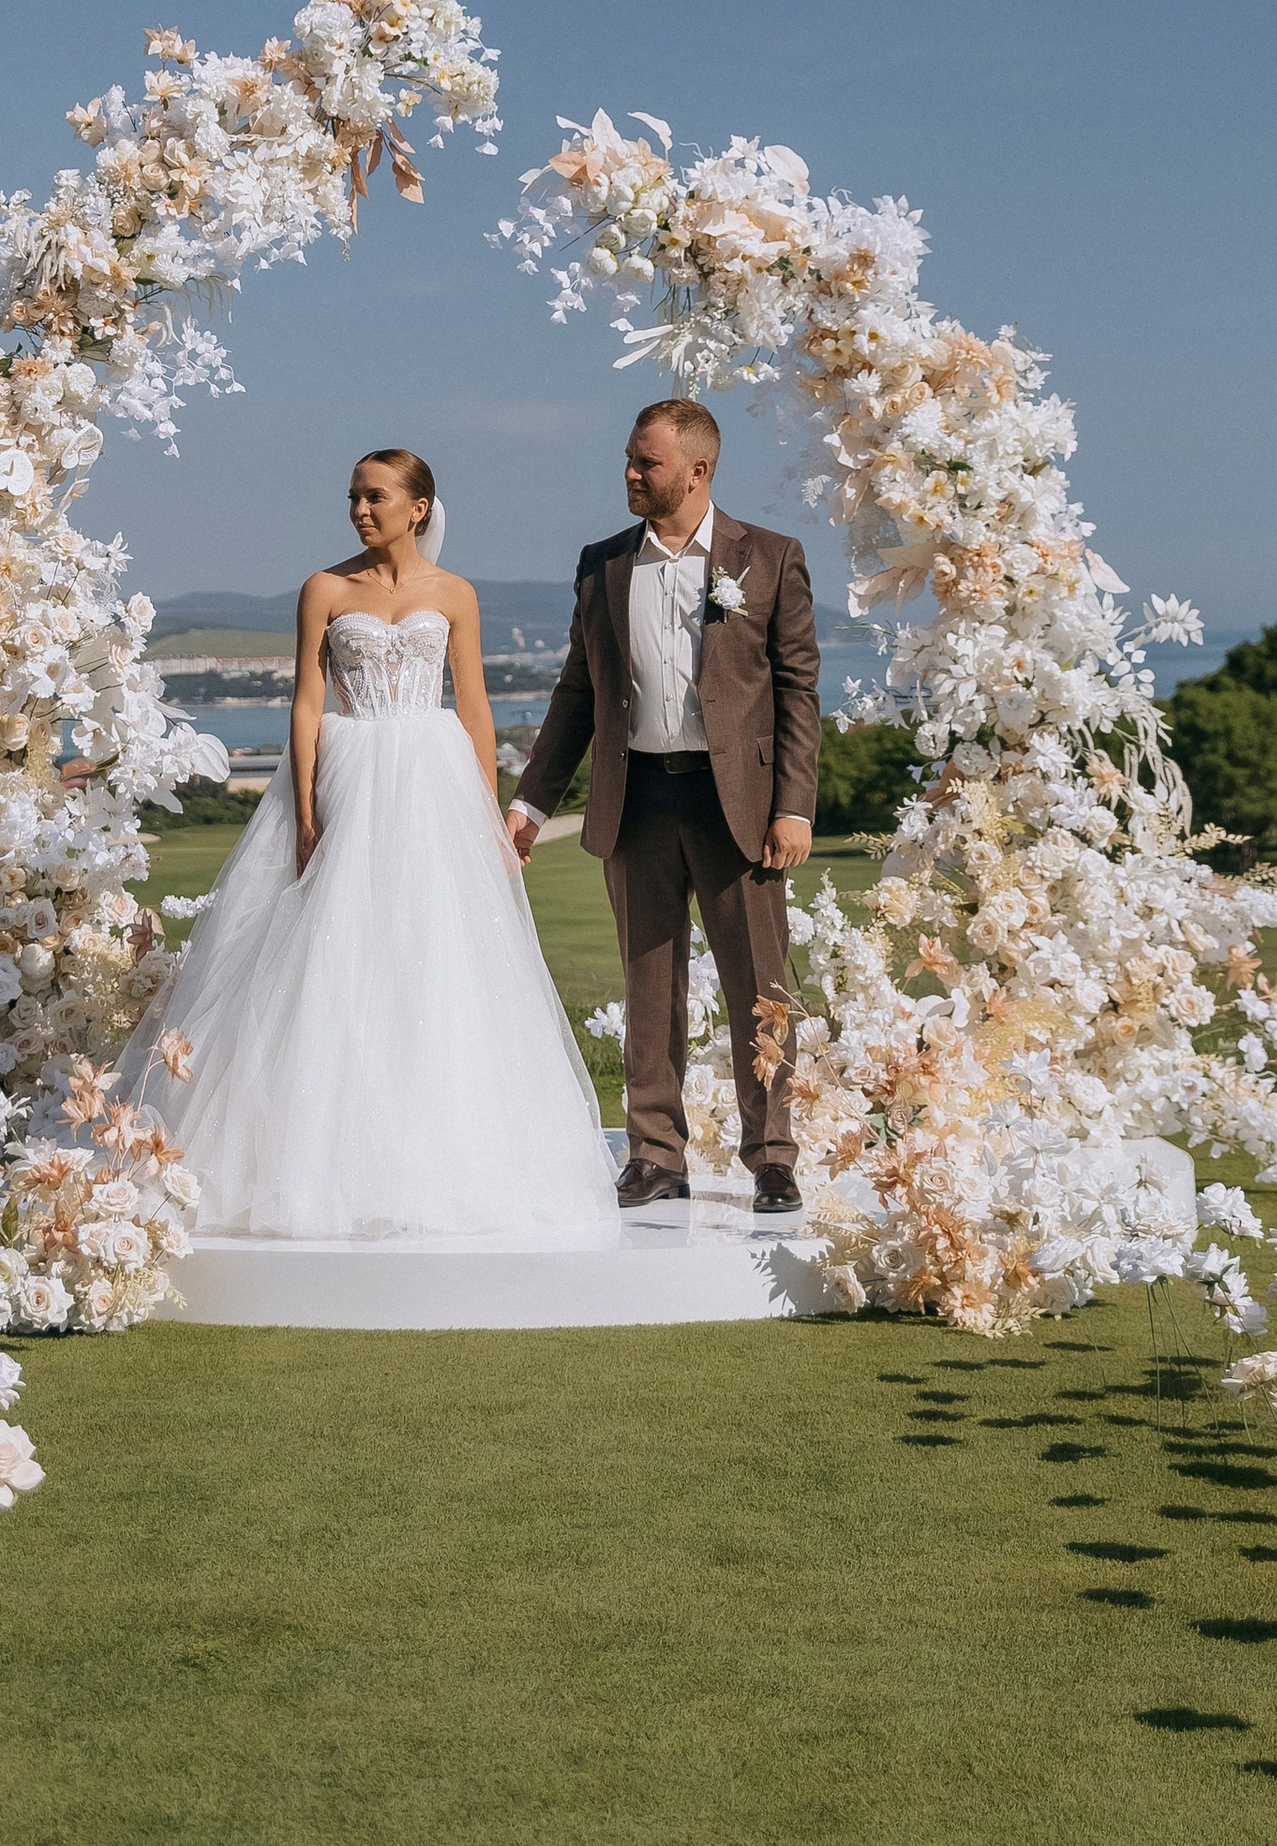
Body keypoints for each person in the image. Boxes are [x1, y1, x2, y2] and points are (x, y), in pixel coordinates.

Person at [129, 450, 618, 1242]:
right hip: (349, 772)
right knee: (332, 951)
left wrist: (489, 816)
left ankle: (439, 1159)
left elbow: (475, 708)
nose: (359, 509)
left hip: (432, 781)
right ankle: (309, 1158)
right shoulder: (324, 589)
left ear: (418, 507)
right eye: (353, 496)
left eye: (375, 496)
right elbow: (306, 702)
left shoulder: (454, 594)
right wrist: (307, 810)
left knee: (435, 954)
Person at [508, 399, 820, 1216]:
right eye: (629, 457)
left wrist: (794, 805)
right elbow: (578, 694)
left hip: (740, 806)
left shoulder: (771, 558)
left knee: (762, 987)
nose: (631, 473)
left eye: (647, 462)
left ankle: (772, 1157)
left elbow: (797, 690)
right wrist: (532, 801)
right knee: (649, 986)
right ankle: (654, 1155)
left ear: (698, 470)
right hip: (636, 798)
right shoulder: (602, 565)